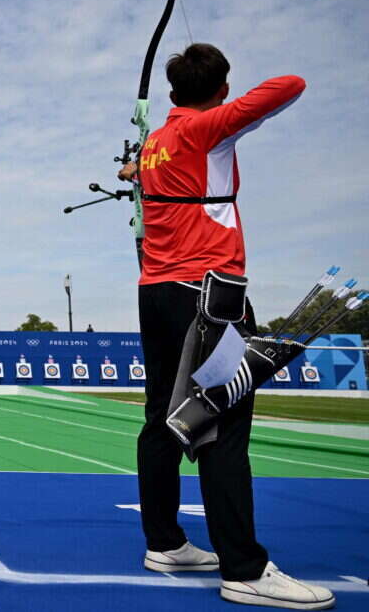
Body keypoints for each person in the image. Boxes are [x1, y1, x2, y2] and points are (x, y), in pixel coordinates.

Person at [119, 45, 332, 609]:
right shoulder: (208, 127)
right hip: (208, 297)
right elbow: (292, 81)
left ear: (169, 94)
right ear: (218, 89)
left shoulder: (154, 144)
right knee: (223, 422)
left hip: (158, 293)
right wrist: (225, 111)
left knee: (163, 415)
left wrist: (140, 161)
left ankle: (165, 542)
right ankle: (243, 569)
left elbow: (150, 172)